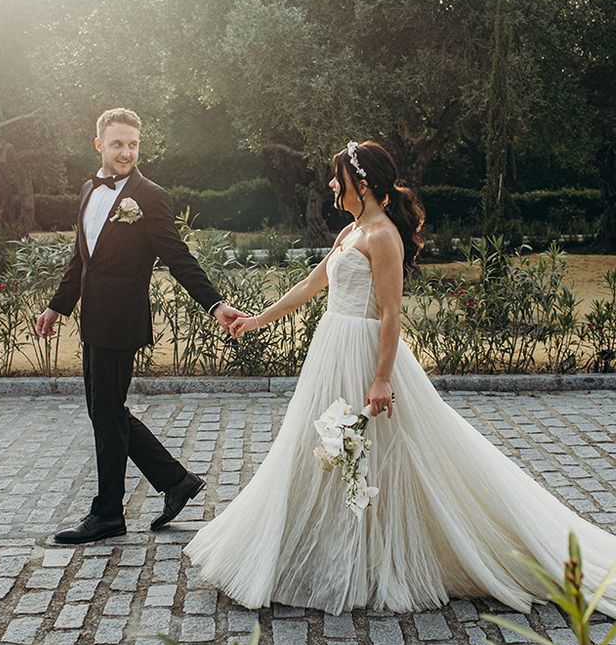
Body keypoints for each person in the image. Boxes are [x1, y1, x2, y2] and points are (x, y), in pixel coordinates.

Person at [184, 140, 616, 617]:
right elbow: (312, 284)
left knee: (375, 454)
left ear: (362, 182)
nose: (331, 185)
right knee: (329, 451)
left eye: (337, 177)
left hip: (367, 355)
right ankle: (334, 547)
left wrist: (381, 380)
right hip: (332, 350)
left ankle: (382, 552)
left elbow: (391, 313)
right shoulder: (350, 231)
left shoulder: (382, 236)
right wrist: (255, 320)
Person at [36, 107, 244, 544]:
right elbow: (82, 259)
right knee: (103, 412)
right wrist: (58, 307)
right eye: (117, 144)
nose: (126, 151)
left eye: (132, 144)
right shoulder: (88, 190)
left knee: (106, 413)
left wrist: (215, 304)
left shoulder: (149, 196)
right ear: (99, 145)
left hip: (122, 321)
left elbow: (177, 256)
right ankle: (175, 481)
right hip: (93, 319)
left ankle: (109, 513)